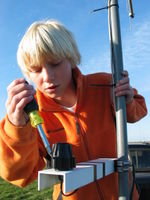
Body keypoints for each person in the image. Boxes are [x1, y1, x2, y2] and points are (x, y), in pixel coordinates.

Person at [0, 19, 147, 200]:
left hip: (124, 194)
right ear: (27, 74)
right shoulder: (30, 115)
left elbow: (139, 110)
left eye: (55, 63)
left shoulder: (104, 83)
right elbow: (19, 175)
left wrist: (128, 101)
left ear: (71, 59)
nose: (47, 76)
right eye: (36, 70)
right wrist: (16, 127)